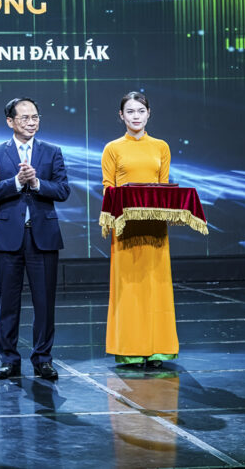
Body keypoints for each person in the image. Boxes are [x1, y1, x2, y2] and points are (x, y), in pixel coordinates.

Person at [0, 97, 69, 381]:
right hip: (8, 239)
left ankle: (43, 359)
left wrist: (37, 183)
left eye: (35, 117)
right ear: (10, 121)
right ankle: (9, 360)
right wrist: (18, 182)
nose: (31, 122)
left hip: (43, 237)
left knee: (44, 303)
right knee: (8, 303)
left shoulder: (52, 152)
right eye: (25, 118)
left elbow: (63, 190)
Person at [101, 91, 178, 367]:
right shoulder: (112, 148)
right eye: (130, 111)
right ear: (121, 116)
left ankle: (158, 349)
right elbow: (108, 188)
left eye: (141, 111)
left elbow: (164, 186)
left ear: (149, 114)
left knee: (157, 286)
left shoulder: (161, 147)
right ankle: (130, 350)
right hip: (125, 228)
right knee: (130, 288)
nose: (136, 116)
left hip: (155, 227)